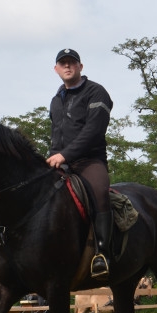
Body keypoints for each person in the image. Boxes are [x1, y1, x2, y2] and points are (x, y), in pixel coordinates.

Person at [47, 48, 114, 281]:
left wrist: (63, 155)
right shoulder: (56, 100)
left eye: (71, 63)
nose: (67, 66)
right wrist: (50, 159)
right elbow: (56, 136)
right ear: (56, 69)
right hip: (60, 163)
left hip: (89, 161)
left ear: (80, 67)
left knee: (100, 192)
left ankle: (102, 254)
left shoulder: (97, 92)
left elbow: (93, 133)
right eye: (62, 63)